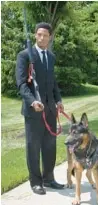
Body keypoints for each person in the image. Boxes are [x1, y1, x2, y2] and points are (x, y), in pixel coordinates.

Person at [15, 22, 64, 195]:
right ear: (35, 35)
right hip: (33, 110)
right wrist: (32, 101)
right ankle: (36, 182)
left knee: (50, 146)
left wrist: (58, 100)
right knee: (33, 147)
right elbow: (21, 83)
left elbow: (53, 82)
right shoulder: (24, 55)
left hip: (50, 109)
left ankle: (49, 179)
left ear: (50, 37)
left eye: (45, 35)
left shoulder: (51, 56)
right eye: (39, 34)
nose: (42, 37)